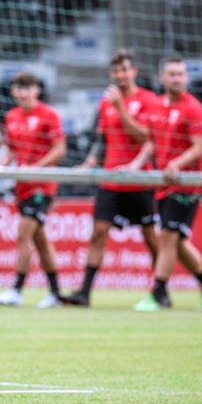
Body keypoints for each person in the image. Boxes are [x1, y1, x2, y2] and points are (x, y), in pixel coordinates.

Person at [60, 50, 161, 307]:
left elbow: (145, 137)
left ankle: (161, 289)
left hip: (140, 180)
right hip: (111, 178)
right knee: (98, 233)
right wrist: (90, 162)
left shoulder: (148, 100)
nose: (121, 75)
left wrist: (121, 108)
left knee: (150, 238)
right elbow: (102, 139)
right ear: (111, 74)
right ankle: (84, 293)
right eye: (116, 71)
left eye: (125, 70)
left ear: (134, 72)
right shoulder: (106, 103)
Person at [131, 55, 202, 312]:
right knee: (178, 241)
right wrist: (136, 164)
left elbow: (201, 147)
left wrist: (177, 164)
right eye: (172, 74)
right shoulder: (157, 106)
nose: (177, 79)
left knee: (168, 237)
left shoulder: (193, 107)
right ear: (162, 77)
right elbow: (151, 142)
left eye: (181, 74)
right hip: (164, 184)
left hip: (186, 184)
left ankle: (158, 293)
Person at [0, 72, 66, 309]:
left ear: (37, 90)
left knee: (24, 234)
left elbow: (59, 149)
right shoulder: (12, 116)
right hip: (21, 186)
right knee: (40, 240)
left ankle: (17, 290)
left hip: (42, 187)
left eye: (28, 87)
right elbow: (11, 151)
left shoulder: (49, 114)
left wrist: (37, 168)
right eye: (19, 88)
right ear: (13, 91)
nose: (23, 93)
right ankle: (55, 293)